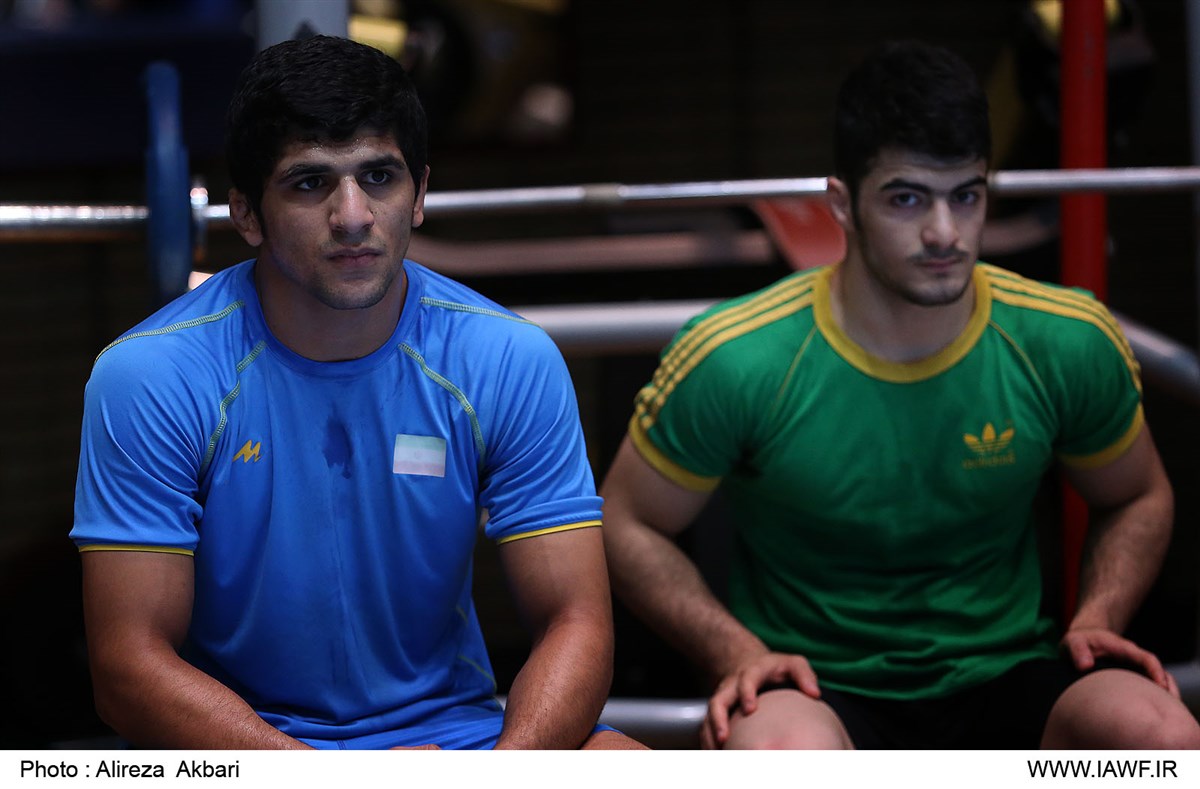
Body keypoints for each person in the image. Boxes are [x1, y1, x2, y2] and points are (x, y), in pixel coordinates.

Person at [599, 40, 1200, 749]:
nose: (944, 233)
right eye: (906, 198)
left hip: (1011, 678)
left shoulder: (1063, 339)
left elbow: (1137, 494)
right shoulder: (739, 357)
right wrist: (733, 651)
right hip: (818, 688)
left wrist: (1099, 617)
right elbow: (626, 521)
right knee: (781, 757)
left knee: (1159, 739)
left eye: (965, 196)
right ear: (842, 204)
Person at [71, 35, 642, 751]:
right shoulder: (152, 375)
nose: (352, 215)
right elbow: (127, 667)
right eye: (310, 183)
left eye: (378, 176)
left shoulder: (505, 357)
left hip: (447, 735)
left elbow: (576, 620)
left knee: (625, 763)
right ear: (246, 214)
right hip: (243, 745)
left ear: (419, 194)